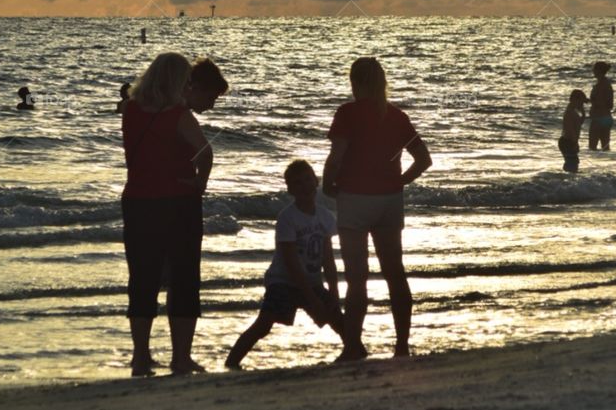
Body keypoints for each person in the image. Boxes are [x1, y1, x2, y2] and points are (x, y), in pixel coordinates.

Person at [121, 51, 224, 376]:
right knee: (183, 280)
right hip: (178, 203)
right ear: (177, 81)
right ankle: (180, 357)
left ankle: (141, 357)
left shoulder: (130, 110)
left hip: (138, 202)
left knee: (142, 279)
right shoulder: (178, 114)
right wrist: (199, 183)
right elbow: (205, 152)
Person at [322, 56, 432, 361]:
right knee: (394, 272)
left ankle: (353, 346)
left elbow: (337, 155)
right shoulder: (396, 116)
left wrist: (327, 184)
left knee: (357, 277)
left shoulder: (347, 113)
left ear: (355, 83)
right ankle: (401, 346)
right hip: (389, 201)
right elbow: (424, 159)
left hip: (355, 198)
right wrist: (400, 181)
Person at [224, 160, 341, 369]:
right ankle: (231, 362)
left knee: (337, 317)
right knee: (264, 325)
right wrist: (312, 299)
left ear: (316, 181)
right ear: (290, 190)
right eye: (297, 183)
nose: (304, 186)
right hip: (284, 281)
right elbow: (291, 263)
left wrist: (333, 290)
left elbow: (328, 259)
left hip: (312, 281)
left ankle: (355, 353)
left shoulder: (325, 217)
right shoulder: (287, 218)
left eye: (307, 180)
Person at [558, 90, 588, 173]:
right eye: (581, 102)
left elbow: (578, 124)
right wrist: (575, 143)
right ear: (575, 100)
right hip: (567, 142)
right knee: (572, 163)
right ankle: (567, 180)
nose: (582, 105)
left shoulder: (573, 112)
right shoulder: (569, 113)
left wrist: (583, 113)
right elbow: (571, 130)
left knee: (573, 162)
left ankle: (568, 178)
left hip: (569, 141)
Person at [589, 61, 614, 151]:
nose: (593, 71)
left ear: (598, 70)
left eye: (594, 69)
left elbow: (599, 103)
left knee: (592, 148)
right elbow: (610, 104)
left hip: (599, 118)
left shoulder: (601, 85)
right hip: (606, 117)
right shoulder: (606, 83)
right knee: (605, 148)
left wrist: (591, 101)